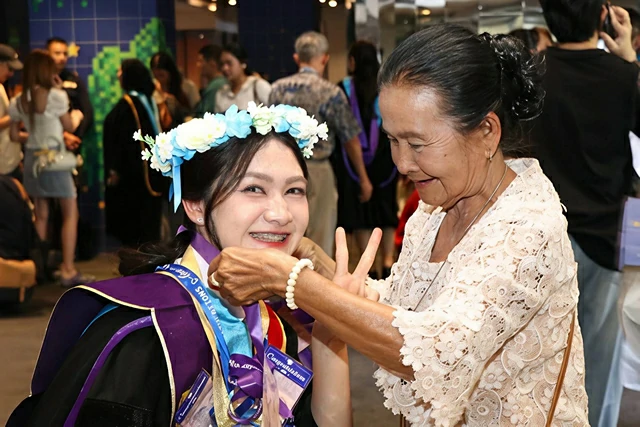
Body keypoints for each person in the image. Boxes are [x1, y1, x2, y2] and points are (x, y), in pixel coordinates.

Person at [210, 24, 589, 426]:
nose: (403, 164)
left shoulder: (528, 226)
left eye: (417, 144)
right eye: (392, 140)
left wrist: (291, 280)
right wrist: (318, 266)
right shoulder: (437, 207)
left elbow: (437, 352)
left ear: (486, 133)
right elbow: (406, 306)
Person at [10, 102, 357, 426]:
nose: (281, 214)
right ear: (195, 205)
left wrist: (331, 329)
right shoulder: (144, 335)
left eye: (294, 191)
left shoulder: (279, 320)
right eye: (254, 189)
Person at [531, 3, 640, 425]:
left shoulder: (533, 73)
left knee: (541, 353)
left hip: (544, 232)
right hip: (606, 233)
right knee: (600, 355)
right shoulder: (622, 75)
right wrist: (628, 55)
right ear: (601, 16)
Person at [269, 31, 371, 255]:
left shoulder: (277, 89)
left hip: (282, 168)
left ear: (297, 58)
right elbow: (350, 139)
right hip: (319, 170)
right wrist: (363, 178)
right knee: (320, 241)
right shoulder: (331, 92)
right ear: (325, 58)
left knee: (283, 235)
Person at [8, 50, 91, 287]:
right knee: (70, 212)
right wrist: (77, 115)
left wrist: (36, 139)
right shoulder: (57, 96)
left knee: (41, 213)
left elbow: (14, 135)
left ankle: (39, 269)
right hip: (55, 160)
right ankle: (68, 269)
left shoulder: (18, 100)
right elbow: (69, 126)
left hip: (33, 162)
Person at [332, 40, 398, 279]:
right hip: (384, 160)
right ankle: (388, 262)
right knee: (386, 208)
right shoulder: (386, 87)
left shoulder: (342, 89)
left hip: (352, 161)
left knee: (360, 213)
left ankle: (367, 267)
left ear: (352, 61)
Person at [103, 59, 167, 248]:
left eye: (121, 71)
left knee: (136, 234)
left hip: (133, 181)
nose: (118, 75)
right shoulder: (145, 102)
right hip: (147, 175)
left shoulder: (130, 105)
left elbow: (121, 141)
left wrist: (114, 170)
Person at [47, 37, 93, 152]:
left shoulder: (74, 80)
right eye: (57, 53)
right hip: (47, 143)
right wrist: (63, 136)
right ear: (47, 55)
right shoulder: (40, 82)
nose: (62, 58)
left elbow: (87, 112)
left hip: (73, 143)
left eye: (65, 54)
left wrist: (76, 137)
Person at [214, 43, 270, 113]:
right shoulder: (221, 92)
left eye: (229, 63)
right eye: (222, 64)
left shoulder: (258, 86)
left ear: (242, 63)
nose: (225, 68)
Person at [0, 45, 24, 180]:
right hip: (4, 166)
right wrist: (18, 111)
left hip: (10, 159)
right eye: (9, 69)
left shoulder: (1, 86)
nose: (11, 74)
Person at [150, 52, 192, 125]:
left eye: (160, 67)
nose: (157, 71)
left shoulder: (186, 86)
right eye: (154, 68)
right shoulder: (151, 89)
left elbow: (194, 112)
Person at [193, 44, 225, 118]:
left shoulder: (215, 86)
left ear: (212, 63)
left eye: (201, 61)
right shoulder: (217, 83)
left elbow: (205, 116)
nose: (198, 65)